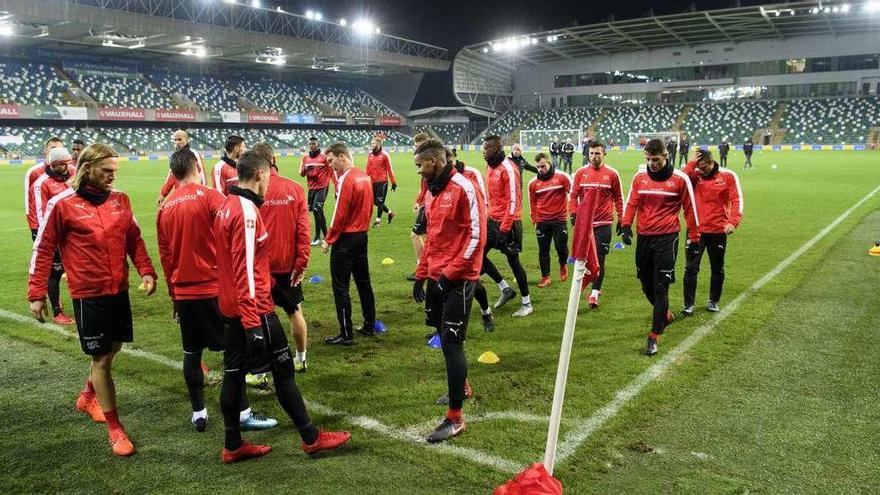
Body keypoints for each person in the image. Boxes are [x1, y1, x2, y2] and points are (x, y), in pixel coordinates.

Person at [213, 150, 351, 463]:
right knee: (284, 370)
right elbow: (246, 270)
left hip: (231, 306)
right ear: (260, 174)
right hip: (254, 309)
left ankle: (232, 444)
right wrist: (253, 323)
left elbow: (232, 264)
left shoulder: (226, 204)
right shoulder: (246, 210)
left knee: (233, 373)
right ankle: (311, 438)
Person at [28, 143, 157, 456]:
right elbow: (43, 248)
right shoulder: (62, 203)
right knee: (101, 359)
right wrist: (36, 293)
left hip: (119, 290)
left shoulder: (120, 200)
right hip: (88, 294)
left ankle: (87, 394)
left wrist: (146, 270)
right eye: (107, 170)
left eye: (115, 170)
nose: (113, 176)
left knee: (114, 346)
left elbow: (134, 239)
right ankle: (115, 429)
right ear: (87, 168)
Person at [157, 148, 278, 432]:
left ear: (173, 174)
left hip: (184, 293)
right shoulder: (212, 197)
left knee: (191, 353)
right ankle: (244, 413)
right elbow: (232, 231)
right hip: (213, 288)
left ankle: (198, 412)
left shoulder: (165, 207)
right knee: (234, 355)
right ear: (197, 167)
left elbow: (165, 255)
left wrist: (173, 293)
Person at [411, 139, 487, 443]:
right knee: (442, 336)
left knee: (453, 343)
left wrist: (451, 274)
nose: (418, 170)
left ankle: (455, 419)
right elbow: (433, 237)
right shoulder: (432, 191)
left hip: (459, 279)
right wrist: (422, 273)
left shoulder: (464, 187)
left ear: (434, 161)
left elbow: (476, 237)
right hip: (437, 276)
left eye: (420, 165)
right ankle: (463, 386)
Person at [619, 138, 698, 356]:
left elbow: (690, 210)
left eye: (656, 159)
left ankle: (654, 336)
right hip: (644, 238)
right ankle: (665, 315)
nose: (652, 163)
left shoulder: (679, 179)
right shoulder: (639, 177)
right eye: (648, 159)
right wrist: (626, 225)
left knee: (661, 286)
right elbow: (632, 202)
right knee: (646, 285)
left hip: (667, 237)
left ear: (666, 156)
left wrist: (695, 237)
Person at [253, 143, 311, 372]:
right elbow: (304, 230)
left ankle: (262, 369)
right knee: (295, 312)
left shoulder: (252, 189)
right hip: (289, 265)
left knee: (259, 316)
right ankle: (301, 358)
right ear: (274, 158)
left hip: (260, 266)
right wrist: (302, 262)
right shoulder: (294, 188)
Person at [322, 143, 377, 345]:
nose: (330, 166)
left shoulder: (346, 179)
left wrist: (329, 239)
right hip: (362, 236)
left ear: (342, 157)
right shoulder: (364, 176)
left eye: (331, 160)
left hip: (346, 240)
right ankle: (369, 324)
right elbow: (369, 209)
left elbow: (339, 214)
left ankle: (346, 334)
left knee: (341, 288)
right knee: (364, 283)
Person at [681, 149, 743, 315]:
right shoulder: (694, 175)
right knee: (691, 268)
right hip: (696, 230)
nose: (701, 171)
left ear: (712, 162)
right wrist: (692, 163)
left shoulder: (727, 176)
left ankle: (713, 301)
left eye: (704, 167)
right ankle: (688, 305)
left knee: (717, 268)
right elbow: (682, 180)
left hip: (718, 230)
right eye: (698, 167)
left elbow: (737, 200)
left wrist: (733, 222)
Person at [568, 141, 623, 308]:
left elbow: (619, 198)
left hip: (604, 223)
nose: (594, 156)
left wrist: (622, 218)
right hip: (585, 225)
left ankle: (594, 293)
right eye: (591, 153)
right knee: (582, 259)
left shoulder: (612, 174)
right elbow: (573, 195)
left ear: (604, 154)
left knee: (599, 259)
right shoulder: (580, 173)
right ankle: (581, 288)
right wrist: (573, 213)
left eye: (597, 153)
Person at [482, 135, 533, 317]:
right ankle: (505, 289)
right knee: (478, 255)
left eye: (486, 148)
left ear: (495, 149)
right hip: (492, 220)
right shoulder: (490, 166)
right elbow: (492, 197)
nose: (483, 151)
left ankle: (527, 304)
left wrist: (504, 228)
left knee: (513, 262)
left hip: (509, 223)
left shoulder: (508, 168)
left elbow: (513, 201)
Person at [25, 137, 72, 325]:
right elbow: (39, 212)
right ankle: (57, 310)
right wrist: (41, 234)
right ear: (51, 163)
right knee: (54, 272)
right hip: (50, 234)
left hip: (72, 234)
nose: (65, 168)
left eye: (66, 164)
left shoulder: (73, 173)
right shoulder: (40, 183)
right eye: (61, 165)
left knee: (75, 269)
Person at [528, 153, 571, 288]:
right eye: (538, 167)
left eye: (543, 166)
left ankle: (563, 264)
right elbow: (532, 203)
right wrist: (535, 219)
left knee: (561, 247)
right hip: (542, 220)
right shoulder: (533, 183)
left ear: (549, 164)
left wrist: (574, 211)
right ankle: (545, 277)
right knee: (543, 250)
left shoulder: (562, 177)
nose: (540, 169)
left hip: (559, 219)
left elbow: (573, 194)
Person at [299, 136, 335, 245]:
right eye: (310, 144)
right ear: (308, 145)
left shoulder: (324, 157)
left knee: (316, 210)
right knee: (316, 211)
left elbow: (331, 171)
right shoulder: (305, 158)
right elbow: (301, 173)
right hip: (312, 188)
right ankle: (323, 236)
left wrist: (335, 186)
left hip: (322, 187)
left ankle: (321, 237)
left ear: (318, 144)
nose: (312, 145)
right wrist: (305, 169)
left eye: (314, 144)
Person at [156, 130, 206, 206]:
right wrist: (163, 194)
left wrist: (202, 194)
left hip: (193, 195)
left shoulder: (194, 154)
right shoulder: (175, 156)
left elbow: (202, 175)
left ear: (186, 140)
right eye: (175, 140)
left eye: (179, 139)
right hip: (179, 195)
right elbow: (171, 176)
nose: (177, 142)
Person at [407, 132, 432, 282]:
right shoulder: (425, 160)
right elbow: (423, 185)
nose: (415, 149)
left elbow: (429, 185)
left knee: (415, 235)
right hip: (426, 201)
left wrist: (423, 202)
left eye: (418, 146)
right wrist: (418, 200)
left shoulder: (429, 161)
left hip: (430, 203)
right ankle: (428, 266)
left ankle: (422, 268)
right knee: (428, 236)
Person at [365, 136, 396, 226]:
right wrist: (364, 179)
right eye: (371, 143)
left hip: (382, 181)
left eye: (373, 143)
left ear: (378, 144)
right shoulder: (370, 155)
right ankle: (390, 213)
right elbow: (367, 169)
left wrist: (393, 182)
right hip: (373, 181)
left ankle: (378, 220)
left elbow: (389, 169)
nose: (372, 145)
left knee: (380, 201)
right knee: (374, 201)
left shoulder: (385, 155)